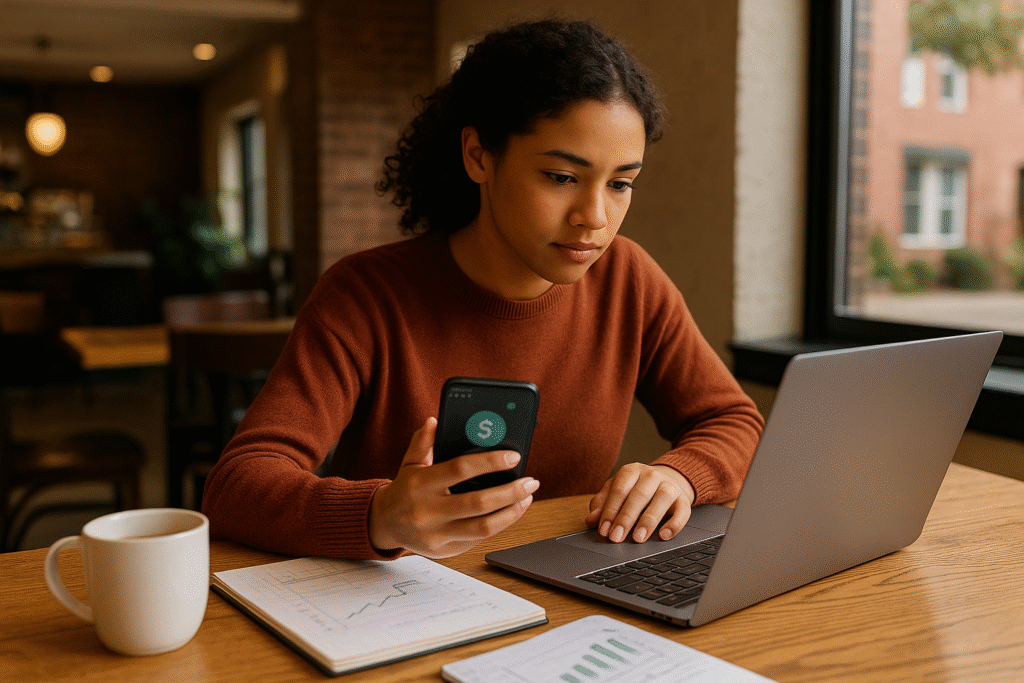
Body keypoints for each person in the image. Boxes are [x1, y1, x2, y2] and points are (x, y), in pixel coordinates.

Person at [202, 18, 764, 561]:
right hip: (394, 609)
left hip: (566, 603)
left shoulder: (628, 280)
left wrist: (679, 476)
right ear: (478, 156)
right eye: (562, 177)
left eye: (620, 184)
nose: (594, 216)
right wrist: (379, 515)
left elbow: (733, 421)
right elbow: (238, 484)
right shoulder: (365, 295)